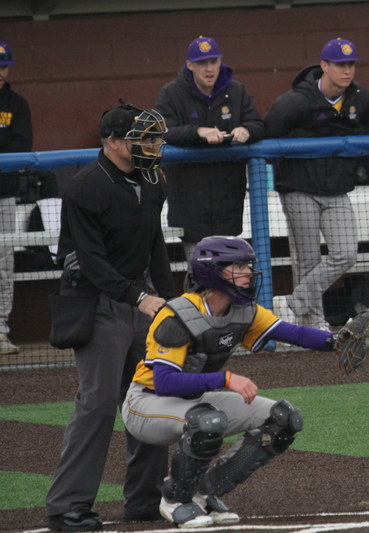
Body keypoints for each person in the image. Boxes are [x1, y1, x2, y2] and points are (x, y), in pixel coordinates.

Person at [122, 236, 341, 527]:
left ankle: (203, 495)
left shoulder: (243, 310)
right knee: (207, 421)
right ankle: (175, 499)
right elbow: (165, 383)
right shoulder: (177, 315)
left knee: (283, 419)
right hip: (146, 404)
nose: (248, 273)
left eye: (247, 265)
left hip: (195, 402)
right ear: (212, 271)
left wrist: (337, 341)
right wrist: (225, 378)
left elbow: (295, 334)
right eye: (238, 266)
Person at [46, 104, 174, 531]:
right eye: (144, 138)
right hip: (96, 302)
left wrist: (170, 300)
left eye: (154, 138)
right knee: (98, 405)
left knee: (150, 400)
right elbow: (92, 262)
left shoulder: (153, 179)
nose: (152, 145)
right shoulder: (87, 187)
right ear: (113, 142)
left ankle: (144, 501)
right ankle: (67, 507)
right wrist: (139, 297)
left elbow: (155, 243)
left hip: (140, 301)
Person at [264, 38, 369, 330]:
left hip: (337, 187)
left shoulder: (359, 98)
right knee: (308, 258)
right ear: (324, 66)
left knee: (346, 253)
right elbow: (267, 138)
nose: (347, 70)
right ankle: (315, 324)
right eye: (340, 65)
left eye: (351, 64)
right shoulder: (296, 100)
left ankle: (292, 303)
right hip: (299, 187)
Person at [155, 36, 265, 261]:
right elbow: (161, 131)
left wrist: (247, 129)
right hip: (189, 200)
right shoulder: (171, 93)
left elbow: (259, 125)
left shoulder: (237, 91)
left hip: (228, 199)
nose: (209, 68)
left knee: (228, 272)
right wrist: (197, 132)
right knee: (199, 272)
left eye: (213, 61)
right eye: (202, 63)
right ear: (190, 65)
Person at [0, 40, 32, 356]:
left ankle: (0, 330)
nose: (1, 72)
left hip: (4, 195)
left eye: (4, 66)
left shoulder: (16, 104)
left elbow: (23, 145)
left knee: (3, 264)